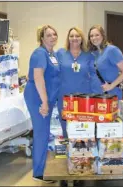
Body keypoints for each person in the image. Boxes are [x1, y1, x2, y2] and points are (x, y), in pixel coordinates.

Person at [23, 25, 60, 184]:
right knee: (41, 133)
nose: (52, 37)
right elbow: (38, 78)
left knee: (44, 133)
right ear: (42, 38)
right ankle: (38, 173)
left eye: (54, 34)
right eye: (49, 35)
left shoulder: (51, 54)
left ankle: (42, 168)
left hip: (47, 96)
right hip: (38, 97)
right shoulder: (40, 53)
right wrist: (44, 102)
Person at [56, 27, 101, 138]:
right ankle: (68, 149)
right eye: (71, 36)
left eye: (77, 36)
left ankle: (83, 152)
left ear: (82, 39)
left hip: (84, 97)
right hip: (64, 97)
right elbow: (52, 71)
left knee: (84, 127)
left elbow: (94, 75)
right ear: (68, 38)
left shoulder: (88, 55)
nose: (74, 38)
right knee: (66, 126)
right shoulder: (60, 53)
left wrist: (98, 93)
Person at [87, 25, 123, 100]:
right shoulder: (93, 53)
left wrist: (111, 86)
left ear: (103, 36)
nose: (94, 38)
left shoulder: (111, 50)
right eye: (91, 36)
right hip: (95, 95)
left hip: (110, 94)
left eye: (97, 35)